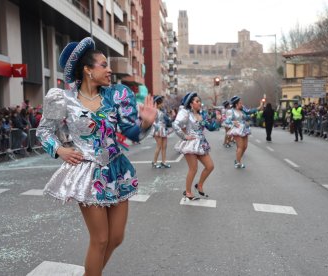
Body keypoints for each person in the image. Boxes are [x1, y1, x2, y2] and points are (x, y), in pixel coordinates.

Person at [36, 37, 156, 275]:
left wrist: (144, 124)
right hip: (88, 174)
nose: (109, 70)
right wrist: (60, 149)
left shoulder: (117, 95)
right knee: (100, 239)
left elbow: (130, 132)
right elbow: (43, 131)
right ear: (88, 70)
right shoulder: (63, 99)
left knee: (116, 238)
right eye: (103, 65)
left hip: (117, 170)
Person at [173, 92, 220, 200]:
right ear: (191, 104)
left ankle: (199, 185)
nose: (200, 103)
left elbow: (211, 128)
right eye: (197, 101)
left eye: (200, 101)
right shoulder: (186, 113)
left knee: (210, 166)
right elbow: (175, 125)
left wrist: (217, 120)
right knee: (193, 169)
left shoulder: (202, 114)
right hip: (190, 144)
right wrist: (184, 136)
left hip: (201, 144)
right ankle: (188, 192)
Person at [224, 96, 257, 168]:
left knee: (245, 147)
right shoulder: (231, 111)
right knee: (240, 147)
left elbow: (249, 112)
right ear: (236, 104)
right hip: (237, 130)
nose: (242, 104)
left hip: (245, 129)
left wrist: (259, 107)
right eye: (240, 103)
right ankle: (238, 162)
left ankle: (237, 160)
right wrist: (233, 122)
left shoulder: (243, 110)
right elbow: (226, 121)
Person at [151, 95, 171, 168]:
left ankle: (164, 162)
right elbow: (152, 121)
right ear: (157, 103)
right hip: (158, 130)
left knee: (164, 146)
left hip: (163, 129)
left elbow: (166, 120)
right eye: (161, 103)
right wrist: (156, 128)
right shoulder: (154, 110)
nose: (163, 104)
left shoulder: (162, 110)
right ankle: (154, 162)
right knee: (159, 146)